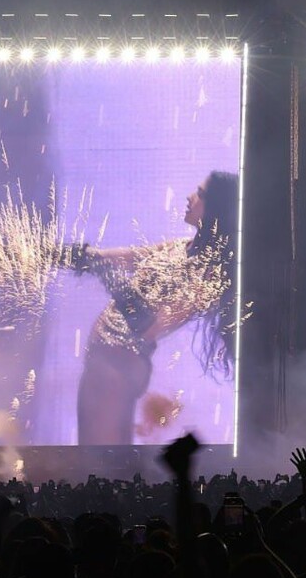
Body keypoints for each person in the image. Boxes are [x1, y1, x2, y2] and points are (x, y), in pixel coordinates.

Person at [67, 171, 239, 446]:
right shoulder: (179, 248)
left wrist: (108, 276)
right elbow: (125, 257)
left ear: (216, 209)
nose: (190, 197)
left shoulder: (207, 276)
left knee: (101, 458)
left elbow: (148, 324)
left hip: (117, 370)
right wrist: (73, 256)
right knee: (95, 454)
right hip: (105, 364)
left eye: (200, 194)